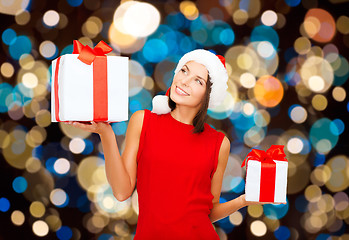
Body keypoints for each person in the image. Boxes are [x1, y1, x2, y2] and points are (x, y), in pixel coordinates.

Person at [66, 49, 282, 239]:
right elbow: (122, 192)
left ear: (208, 95)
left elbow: (208, 212)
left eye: (198, 80)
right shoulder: (143, 121)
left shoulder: (218, 143)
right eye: (184, 71)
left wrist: (243, 200)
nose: (185, 81)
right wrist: (106, 134)